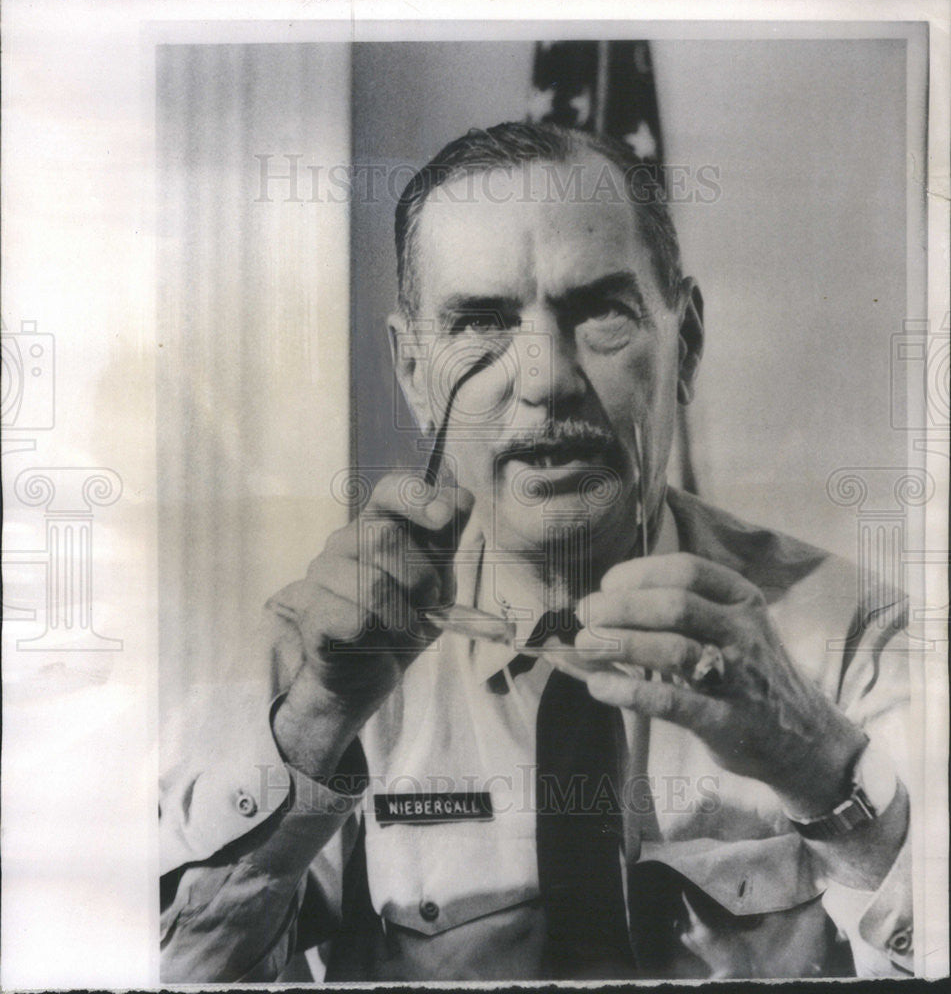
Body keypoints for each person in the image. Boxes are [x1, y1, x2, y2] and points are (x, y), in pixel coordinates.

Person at [159, 122, 913, 981]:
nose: (545, 378)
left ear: (686, 342)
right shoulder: (314, 659)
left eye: (598, 312)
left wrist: (814, 762)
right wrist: (317, 724)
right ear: (414, 374)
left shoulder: (860, 635)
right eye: (481, 323)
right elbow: (182, 970)